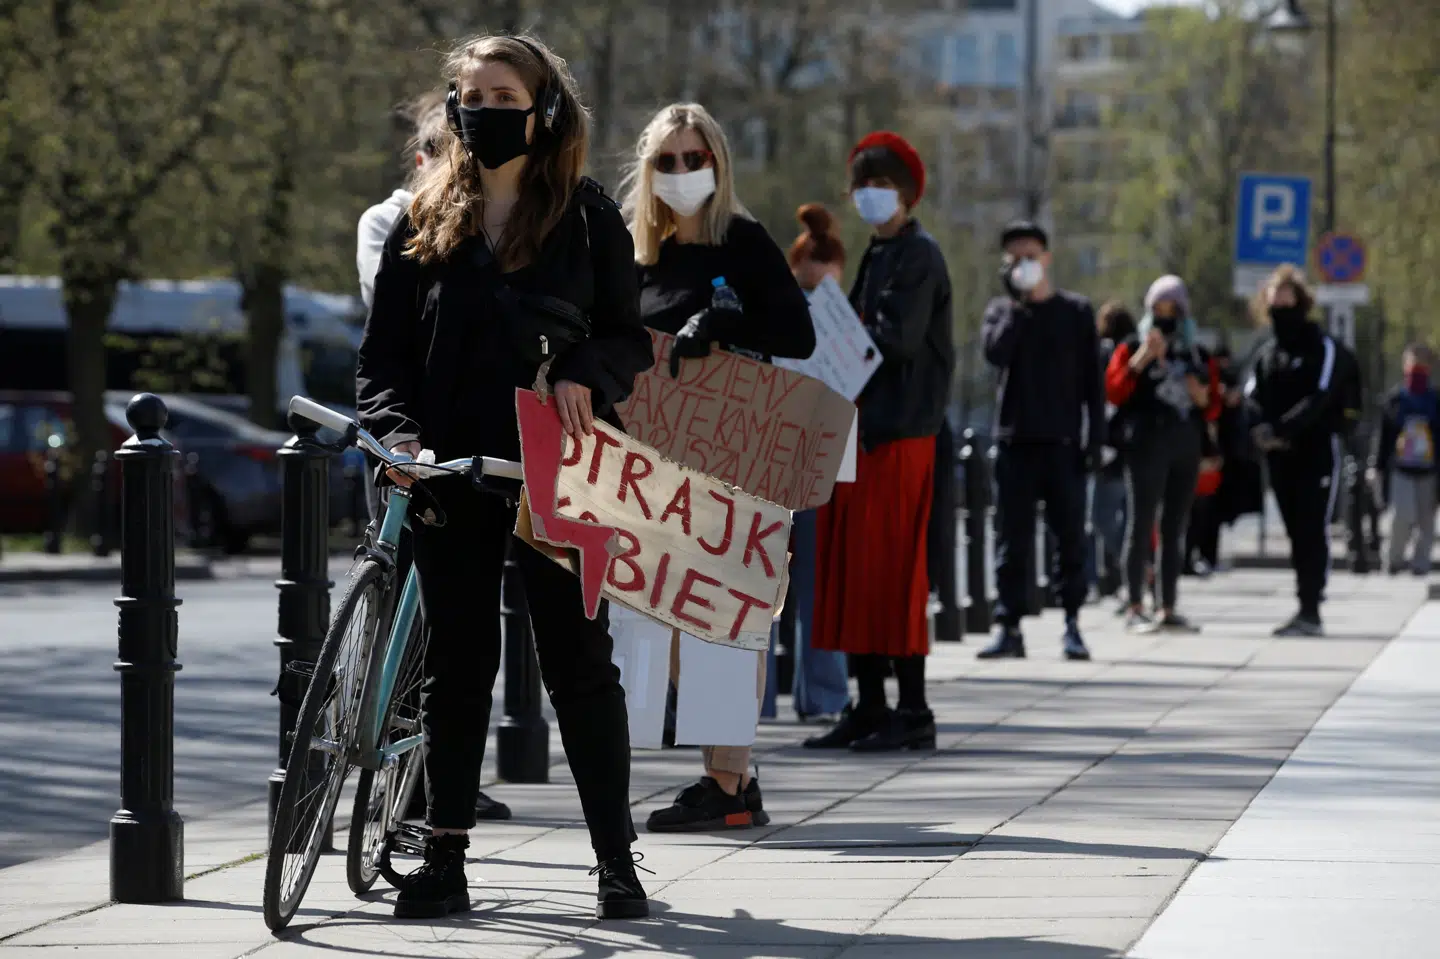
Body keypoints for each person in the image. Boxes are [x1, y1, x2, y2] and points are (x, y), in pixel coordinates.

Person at [356, 34, 654, 920]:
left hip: (558, 465)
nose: (483, 109)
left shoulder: (589, 215)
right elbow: (382, 359)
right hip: (448, 467)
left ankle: (616, 859)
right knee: (456, 663)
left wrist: (582, 372)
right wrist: (397, 437)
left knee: (578, 663)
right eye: (470, 94)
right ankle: (444, 855)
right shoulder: (424, 217)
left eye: (502, 93)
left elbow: (628, 338)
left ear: (543, 107)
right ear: (453, 110)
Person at [626, 103, 815, 833]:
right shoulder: (633, 248)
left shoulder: (742, 238)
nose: (681, 173)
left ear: (717, 164)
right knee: (669, 615)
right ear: (648, 170)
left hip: (736, 457)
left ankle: (727, 781)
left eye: (693, 159)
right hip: (655, 460)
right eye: (667, 161)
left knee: (726, 616)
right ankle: (733, 770)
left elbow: (796, 333)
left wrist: (728, 320)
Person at [354, 89, 511, 826]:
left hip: (462, 447)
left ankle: (434, 774)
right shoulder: (394, 220)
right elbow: (387, 328)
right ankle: (392, 764)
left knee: (452, 633)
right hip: (404, 432)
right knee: (398, 607)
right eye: (435, 155)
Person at [805, 130, 954, 752]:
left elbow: (896, 339)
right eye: (862, 183)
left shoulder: (919, 255)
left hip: (899, 432)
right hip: (861, 428)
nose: (870, 194)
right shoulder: (878, 252)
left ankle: (912, 707)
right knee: (852, 565)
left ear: (908, 192)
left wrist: (833, 310)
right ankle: (869, 703)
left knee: (892, 569)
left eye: (882, 183)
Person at [977, 221, 1101, 661]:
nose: (1023, 265)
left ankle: (1072, 623)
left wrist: (1094, 441)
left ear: (1046, 258)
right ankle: (1008, 626)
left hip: (1064, 443)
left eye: (1030, 257)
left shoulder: (1077, 312)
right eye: (1014, 259)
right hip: (1015, 442)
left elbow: (1093, 383)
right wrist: (1018, 306)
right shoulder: (1001, 311)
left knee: (1070, 538)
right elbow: (995, 354)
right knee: (1012, 539)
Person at [1245, 264, 1359, 637]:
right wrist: (1262, 431)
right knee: (1295, 529)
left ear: (1300, 299)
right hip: (1280, 456)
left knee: (1312, 527)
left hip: (1316, 452)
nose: (1278, 302)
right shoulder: (1267, 353)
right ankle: (1302, 605)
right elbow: (1252, 397)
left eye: (1285, 295)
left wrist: (1283, 428)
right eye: (1273, 296)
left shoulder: (1322, 347)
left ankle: (1311, 607)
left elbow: (1321, 396)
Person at [1105, 276, 1214, 632]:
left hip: (1184, 444)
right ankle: (1135, 604)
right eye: (1159, 310)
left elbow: (1210, 407)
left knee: (1174, 528)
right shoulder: (1131, 345)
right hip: (1145, 443)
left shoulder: (1196, 352)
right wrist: (1141, 359)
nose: (1165, 317)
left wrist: (1201, 394)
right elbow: (1114, 391)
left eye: (1173, 310)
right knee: (1140, 523)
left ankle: (1167, 605)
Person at [785, 203, 851, 722]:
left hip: (806, 460)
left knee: (811, 585)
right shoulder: (845, 322)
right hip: (804, 460)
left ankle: (766, 700)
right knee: (814, 587)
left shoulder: (849, 330)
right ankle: (821, 697)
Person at [1373, 344, 1440, 575]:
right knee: (1401, 515)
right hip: (1401, 468)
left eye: (1422, 363)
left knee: (1426, 521)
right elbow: (1384, 437)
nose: (1417, 368)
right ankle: (1393, 559)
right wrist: (1377, 467)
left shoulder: (1435, 401)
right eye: (1413, 363)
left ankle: (1421, 564)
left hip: (1429, 470)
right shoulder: (1395, 399)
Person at [1090, 301, 1136, 598]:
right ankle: (1131, 574)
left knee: (1102, 517)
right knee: (1127, 515)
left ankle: (1134, 568)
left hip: (1111, 446)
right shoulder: (1135, 352)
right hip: (1131, 444)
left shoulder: (1107, 353)